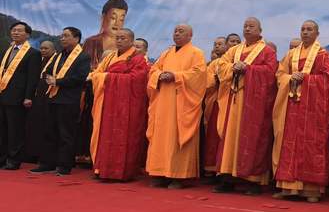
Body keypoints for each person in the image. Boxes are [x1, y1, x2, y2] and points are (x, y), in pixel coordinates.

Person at [272, 20, 329, 202]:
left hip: (312, 109)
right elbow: (279, 75)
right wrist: (291, 77)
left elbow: (328, 80)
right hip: (291, 105)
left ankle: (311, 190)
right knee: (287, 143)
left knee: (311, 144)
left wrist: (306, 79)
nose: (305, 32)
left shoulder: (323, 55)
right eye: (303, 29)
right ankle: (288, 188)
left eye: (310, 29)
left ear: (317, 33)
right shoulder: (291, 54)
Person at [213, 17, 278, 194]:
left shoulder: (266, 51)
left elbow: (270, 73)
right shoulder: (234, 49)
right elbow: (221, 65)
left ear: (260, 30)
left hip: (253, 103)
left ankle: (252, 181)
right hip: (233, 101)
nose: (247, 29)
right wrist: (234, 66)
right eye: (245, 26)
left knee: (252, 138)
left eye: (251, 26)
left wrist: (248, 69)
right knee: (229, 138)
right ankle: (227, 177)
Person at [145, 24, 207, 189]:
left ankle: (179, 176)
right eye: (176, 31)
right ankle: (159, 173)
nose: (177, 34)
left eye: (182, 31)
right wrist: (159, 75)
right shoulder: (166, 53)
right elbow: (153, 70)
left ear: (190, 35)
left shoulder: (196, 53)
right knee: (161, 137)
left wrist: (175, 76)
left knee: (178, 136)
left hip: (182, 104)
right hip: (163, 102)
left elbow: (199, 75)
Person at [89, 29, 150, 181]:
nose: (119, 41)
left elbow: (138, 80)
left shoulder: (137, 59)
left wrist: (108, 77)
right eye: (117, 38)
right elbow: (97, 73)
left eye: (123, 38)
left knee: (123, 137)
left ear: (131, 40)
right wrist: (103, 77)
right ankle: (102, 169)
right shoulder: (110, 56)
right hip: (108, 103)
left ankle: (120, 172)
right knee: (105, 135)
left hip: (127, 106)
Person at [30, 27, 91, 175]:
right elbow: (47, 71)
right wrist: (50, 79)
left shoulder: (83, 56)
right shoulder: (58, 56)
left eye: (66, 36)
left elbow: (79, 78)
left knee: (66, 134)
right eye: (61, 36)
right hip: (52, 98)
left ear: (76, 39)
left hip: (69, 100)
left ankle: (64, 166)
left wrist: (58, 81)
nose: (62, 38)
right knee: (49, 132)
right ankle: (47, 163)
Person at [0, 22, 41, 169]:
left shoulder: (33, 53)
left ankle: (14, 160)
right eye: (13, 30)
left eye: (19, 31)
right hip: (3, 95)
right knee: (2, 130)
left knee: (15, 130)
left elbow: (33, 77)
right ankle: (2, 158)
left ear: (28, 34)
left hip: (18, 97)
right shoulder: (7, 50)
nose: (15, 33)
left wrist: (28, 96)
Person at [23, 40, 56, 163]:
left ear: (53, 49)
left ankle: (45, 157)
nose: (43, 51)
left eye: (46, 48)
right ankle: (32, 154)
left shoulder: (57, 60)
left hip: (49, 99)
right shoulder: (39, 60)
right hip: (36, 99)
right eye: (41, 48)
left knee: (46, 128)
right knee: (33, 127)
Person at [203, 36, 228, 178]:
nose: (217, 47)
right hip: (214, 102)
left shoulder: (228, 62)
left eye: (220, 44)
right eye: (215, 44)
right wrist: (216, 79)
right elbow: (206, 83)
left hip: (226, 102)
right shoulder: (213, 64)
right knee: (212, 136)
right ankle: (211, 169)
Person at [82, 0, 128, 69]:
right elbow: (83, 67)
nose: (117, 23)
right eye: (113, 18)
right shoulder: (91, 42)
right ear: (103, 17)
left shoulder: (127, 45)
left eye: (121, 20)